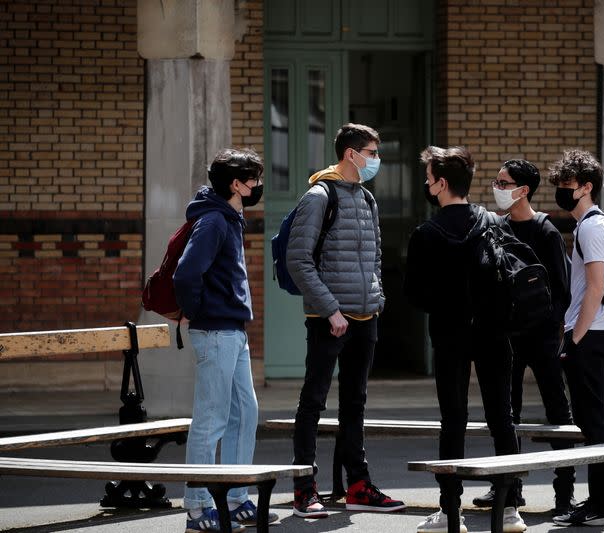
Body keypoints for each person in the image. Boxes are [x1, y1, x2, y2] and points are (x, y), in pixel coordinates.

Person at [405, 146, 526, 533]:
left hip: (449, 335)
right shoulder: (495, 222)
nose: (426, 183)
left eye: (428, 178)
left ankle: (449, 511)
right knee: (502, 419)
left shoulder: (426, 234)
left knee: (452, 419)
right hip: (494, 333)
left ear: (441, 184)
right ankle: (510, 509)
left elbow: (414, 296)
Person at [286, 123, 405, 518]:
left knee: (355, 403)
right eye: (372, 152)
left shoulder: (368, 199)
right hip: (330, 319)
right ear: (351, 154)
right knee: (313, 402)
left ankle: (358, 485)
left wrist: (377, 296)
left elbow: (374, 256)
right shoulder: (319, 195)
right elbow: (298, 260)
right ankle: (305, 488)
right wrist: (331, 309)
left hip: (365, 314)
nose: (376, 160)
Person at [173, 148, 271, 533]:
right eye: (255, 179)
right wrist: (200, 311)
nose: (259, 186)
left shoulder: (229, 217)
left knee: (244, 412)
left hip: (233, 331)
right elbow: (186, 275)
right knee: (210, 420)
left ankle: (234, 496)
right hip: (216, 331)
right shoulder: (214, 220)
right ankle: (197, 507)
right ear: (236, 184)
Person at [470, 159, 576, 516]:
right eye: (496, 180)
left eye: (504, 182)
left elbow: (562, 288)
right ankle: (508, 488)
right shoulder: (496, 227)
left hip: (542, 337)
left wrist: (557, 329)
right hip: (507, 336)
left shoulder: (546, 231)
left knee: (558, 415)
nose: (497, 187)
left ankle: (565, 494)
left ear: (523, 190)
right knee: (506, 414)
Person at [547, 149, 604, 527]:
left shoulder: (591, 227)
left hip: (590, 336)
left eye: (568, 186)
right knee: (598, 422)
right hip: (595, 335)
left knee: (594, 424)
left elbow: (595, 288)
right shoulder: (595, 224)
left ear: (587, 188)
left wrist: (574, 337)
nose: (562, 192)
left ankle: (600, 506)